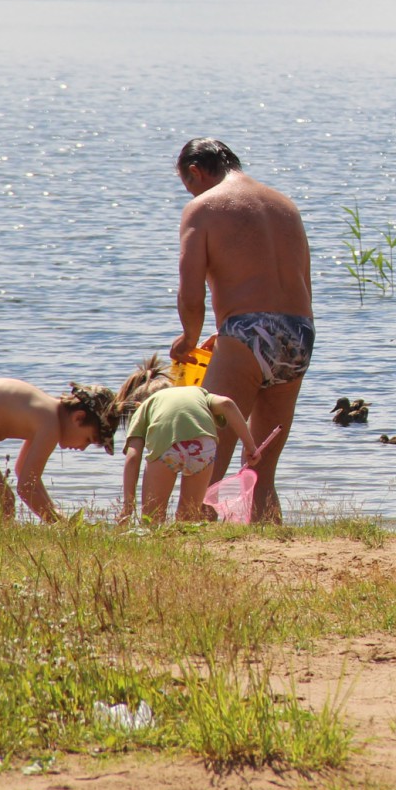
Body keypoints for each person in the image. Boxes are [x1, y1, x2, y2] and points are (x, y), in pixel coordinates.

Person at [170, 137, 314, 524]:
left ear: (196, 173)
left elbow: (190, 291)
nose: (190, 192)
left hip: (248, 332)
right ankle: (271, 542)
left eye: (188, 184)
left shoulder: (202, 208)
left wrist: (189, 337)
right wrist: (233, 332)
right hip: (299, 333)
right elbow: (304, 282)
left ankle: (189, 542)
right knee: (261, 466)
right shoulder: (285, 205)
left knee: (207, 458)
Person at [0, 378, 122, 522]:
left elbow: (23, 474)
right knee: (2, 506)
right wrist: (60, 524)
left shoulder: (46, 413)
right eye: (88, 439)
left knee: (1, 505)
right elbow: (26, 489)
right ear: (78, 418)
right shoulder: (50, 424)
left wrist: (53, 511)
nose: (81, 448)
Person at [114, 355, 269, 524]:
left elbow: (133, 457)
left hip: (167, 448)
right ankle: (186, 538)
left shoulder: (144, 406)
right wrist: (250, 446)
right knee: (188, 517)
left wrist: (128, 507)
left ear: (136, 404)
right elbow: (227, 404)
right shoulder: (197, 391)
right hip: (203, 448)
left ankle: (159, 543)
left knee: (152, 517)